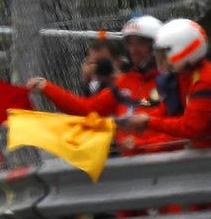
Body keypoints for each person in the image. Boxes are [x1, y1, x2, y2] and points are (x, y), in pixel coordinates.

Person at [26, 14, 182, 156]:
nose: (134, 50)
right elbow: (88, 109)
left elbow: (183, 129)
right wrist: (47, 87)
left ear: (157, 46)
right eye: (130, 44)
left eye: (140, 43)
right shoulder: (125, 82)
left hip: (166, 164)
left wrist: (141, 145)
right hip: (131, 167)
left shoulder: (174, 82)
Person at [116, 18, 211, 149]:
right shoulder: (184, 75)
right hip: (202, 152)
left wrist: (148, 122)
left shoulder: (205, 79)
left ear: (183, 50)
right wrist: (136, 119)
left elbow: (191, 127)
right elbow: (167, 111)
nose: (162, 60)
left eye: (165, 53)